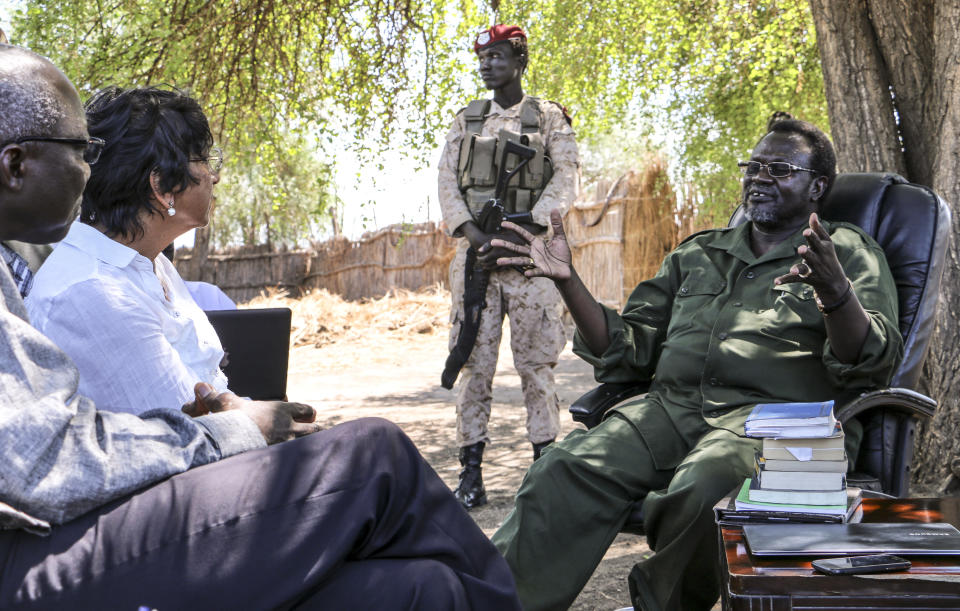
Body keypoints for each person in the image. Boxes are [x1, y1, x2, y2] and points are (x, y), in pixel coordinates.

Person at [0, 44, 521, 610]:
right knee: (375, 455)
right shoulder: (87, 293)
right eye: (81, 150)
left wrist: (245, 423)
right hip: (49, 550)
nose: (88, 167)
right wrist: (244, 427)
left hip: (110, 517)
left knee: (424, 588)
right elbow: (49, 464)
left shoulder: (143, 269)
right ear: (16, 163)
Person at [489, 115, 903, 610]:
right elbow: (628, 348)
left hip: (787, 426)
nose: (759, 177)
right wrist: (567, 281)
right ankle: (491, 603)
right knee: (563, 469)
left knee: (706, 486)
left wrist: (836, 295)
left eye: (779, 168)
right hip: (671, 411)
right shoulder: (698, 253)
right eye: (753, 166)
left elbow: (871, 364)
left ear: (817, 186)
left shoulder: (849, 252)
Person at [437, 24, 580, 508]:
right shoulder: (466, 120)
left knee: (537, 366)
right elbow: (446, 184)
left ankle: (545, 471)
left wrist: (530, 224)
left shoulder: (549, 118)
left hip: (529, 256)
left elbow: (566, 176)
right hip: (477, 260)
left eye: (497, 55)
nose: (487, 64)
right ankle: (471, 474)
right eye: (482, 56)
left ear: (519, 61)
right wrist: (473, 234)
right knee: (474, 369)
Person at [26, 86, 234, 414]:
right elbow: (189, 430)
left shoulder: (151, 264)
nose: (215, 176)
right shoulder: (91, 292)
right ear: (163, 186)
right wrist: (257, 418)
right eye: (204, 159)